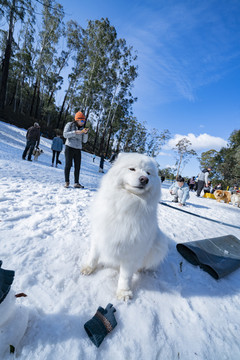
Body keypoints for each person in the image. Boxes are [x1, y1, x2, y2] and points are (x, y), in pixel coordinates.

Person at [63, 111, 89, 188]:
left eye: (84, 121)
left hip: (78, 149)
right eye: (82, 120)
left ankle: (76, 183)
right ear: (77, 119)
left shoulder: (82, 129)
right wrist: (75, 132)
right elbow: (65, 134)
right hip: (69, 147)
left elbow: (84, 141)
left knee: (77, 166)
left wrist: (85, 133)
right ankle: (67, 182)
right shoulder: (69, 125)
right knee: (68, 165)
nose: (83, 122)